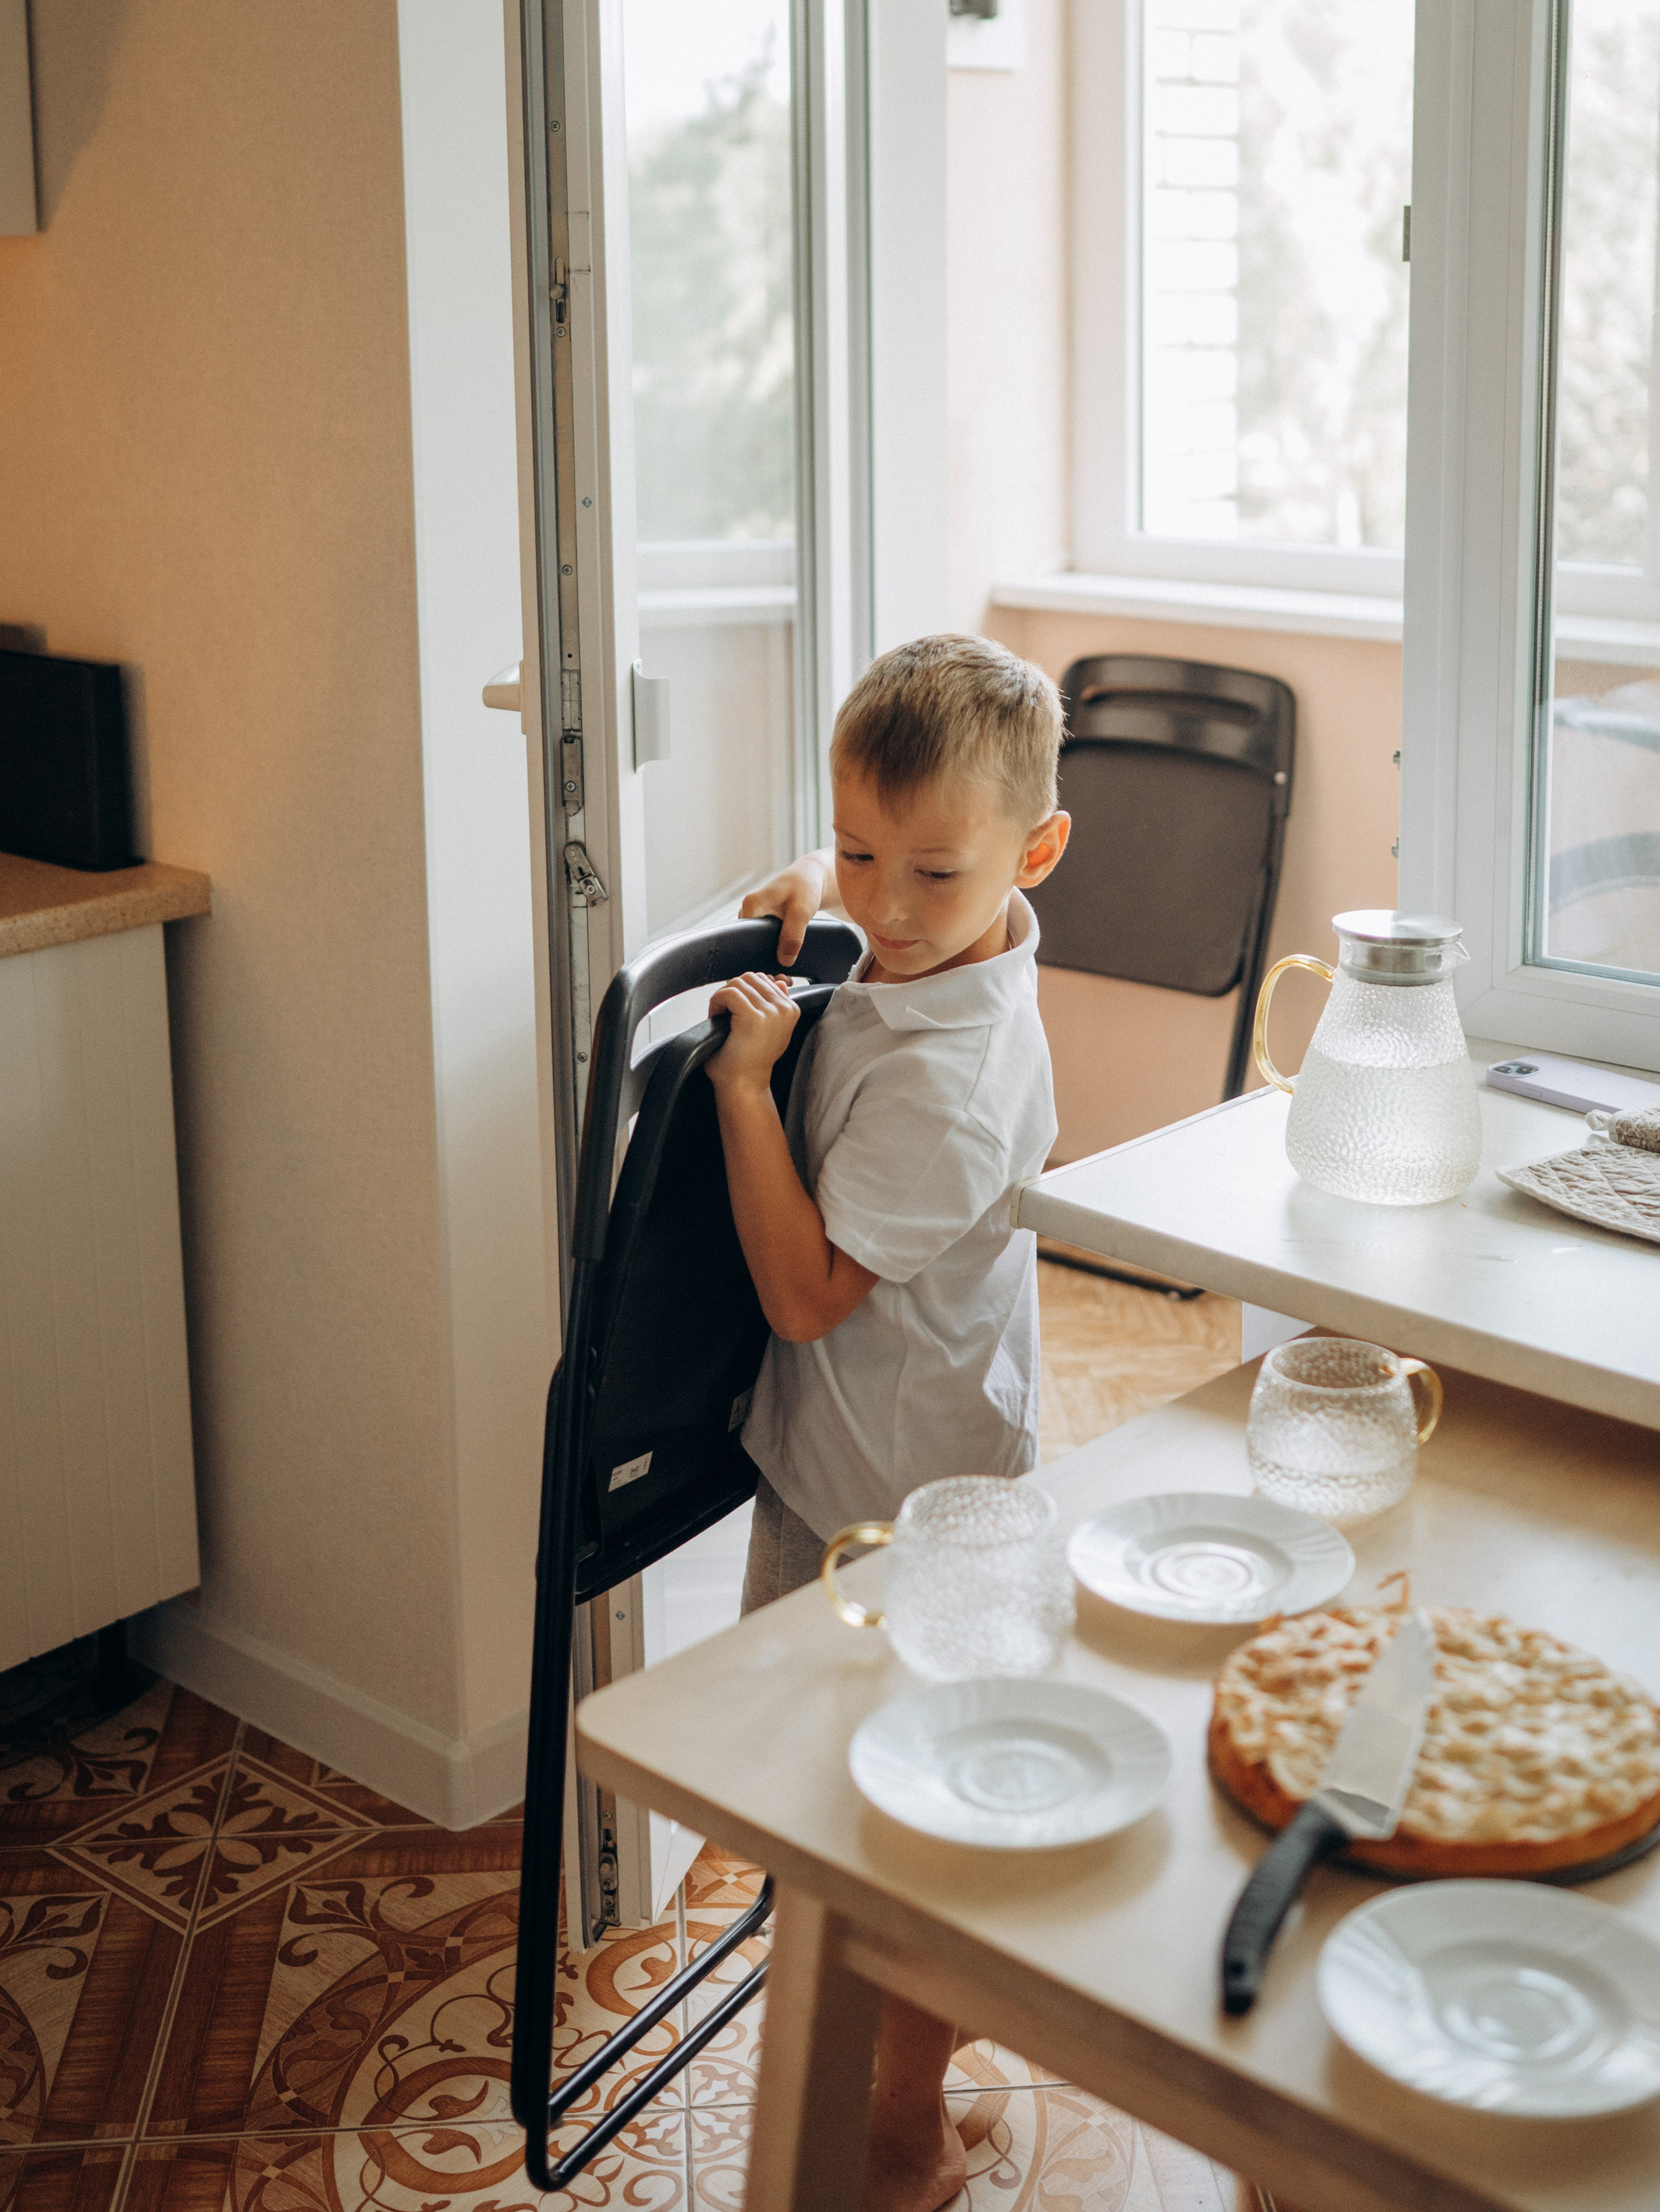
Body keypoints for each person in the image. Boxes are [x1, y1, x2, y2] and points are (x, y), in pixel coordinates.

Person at [704, 632, 1070, 2212]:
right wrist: (820, 875)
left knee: (891, 1816)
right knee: (845, 1792)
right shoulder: (940, 934)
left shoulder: (950, 1081)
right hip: (861, 1451)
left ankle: (900, 2121)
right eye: (857, 847)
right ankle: (890, 2044)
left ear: (1031, 850)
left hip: (901, 1493)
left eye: (930, 870)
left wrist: (739, 1090)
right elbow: (881, 876)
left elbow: (798, 1297)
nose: (885, 906)